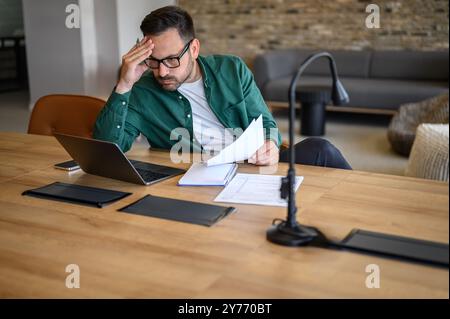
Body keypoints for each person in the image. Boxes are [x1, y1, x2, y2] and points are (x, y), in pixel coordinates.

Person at [93, 5, 351, 169]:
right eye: (153, 61)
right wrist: (124, 83)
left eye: (171, 60)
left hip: (251, 164)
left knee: (321, 149)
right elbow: (107, 151)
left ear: (193, 49)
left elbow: (267, 126)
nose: (162, 71)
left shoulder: (232, 70)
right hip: (193, 172)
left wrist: (271, 145)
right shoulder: (141, 90)